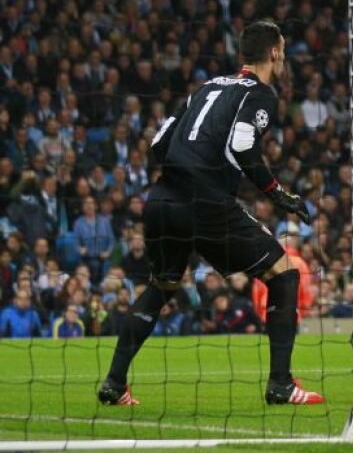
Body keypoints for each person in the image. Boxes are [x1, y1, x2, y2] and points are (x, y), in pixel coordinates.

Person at [97, 20, 323, 407]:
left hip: (163, 200)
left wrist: (186, 168)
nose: (283, 56)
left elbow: (157, 143)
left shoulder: (206, 88)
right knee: (286, 276)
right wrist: (279, 193)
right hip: (205, 203)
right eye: (282, 49)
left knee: (162, 286)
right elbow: (242, 145)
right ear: (273, 53)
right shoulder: (261, 94)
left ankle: (114, 384)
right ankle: (282, 384)